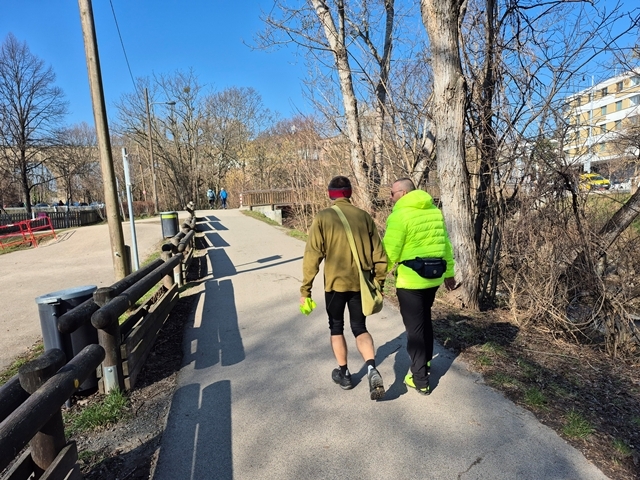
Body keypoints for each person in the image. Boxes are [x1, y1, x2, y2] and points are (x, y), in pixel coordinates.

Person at [300, 176, 388, 400]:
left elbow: (312, 255)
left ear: (331, 194)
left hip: (335, 285)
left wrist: (305, 290)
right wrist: (378, 283)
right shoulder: (364, 217)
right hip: (360, 285)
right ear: (350, 193)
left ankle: (345, 374)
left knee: (336, 327)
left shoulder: (323, 217)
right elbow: (380, 256)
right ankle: (371, 368)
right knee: (359, 326)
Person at [383, 178, 456, 396]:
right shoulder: (434, 211)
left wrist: (377, 277)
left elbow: (390, 251)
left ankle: (420, 379)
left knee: (415, 330)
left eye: (392, 193)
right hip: (433, 279)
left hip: (411, 282)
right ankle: (425, 362)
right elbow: (446, 245)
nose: (390, 197)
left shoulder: (400, 215)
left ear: (403, 193)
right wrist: (449, 274)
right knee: (424, 321)